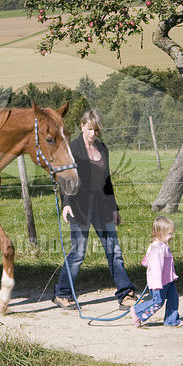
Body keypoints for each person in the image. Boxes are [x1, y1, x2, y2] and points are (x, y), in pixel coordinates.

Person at [52, 109, 138, 311]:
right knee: (78, 253)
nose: (93, 133)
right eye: (90, 129)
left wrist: (114, 207)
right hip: (79, 207)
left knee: (114, 252)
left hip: (103, 207)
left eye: (97, 130)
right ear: (82, 126)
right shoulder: (73, 148)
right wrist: (66, 203)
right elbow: (66, 178)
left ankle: (125, 294)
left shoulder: (102, 148)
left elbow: (107, 180)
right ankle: (62, 293)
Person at [130, 216, 183, 327]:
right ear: (159, 233)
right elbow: (155, 268)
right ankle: (137, 311)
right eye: (170, 234)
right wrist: (156, 284)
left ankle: (171, 320)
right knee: (158, 302)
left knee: (173, 298)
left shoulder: (162, 246)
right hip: (159, 283)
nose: (172, 236)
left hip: (167, 281)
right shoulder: (157, 249)